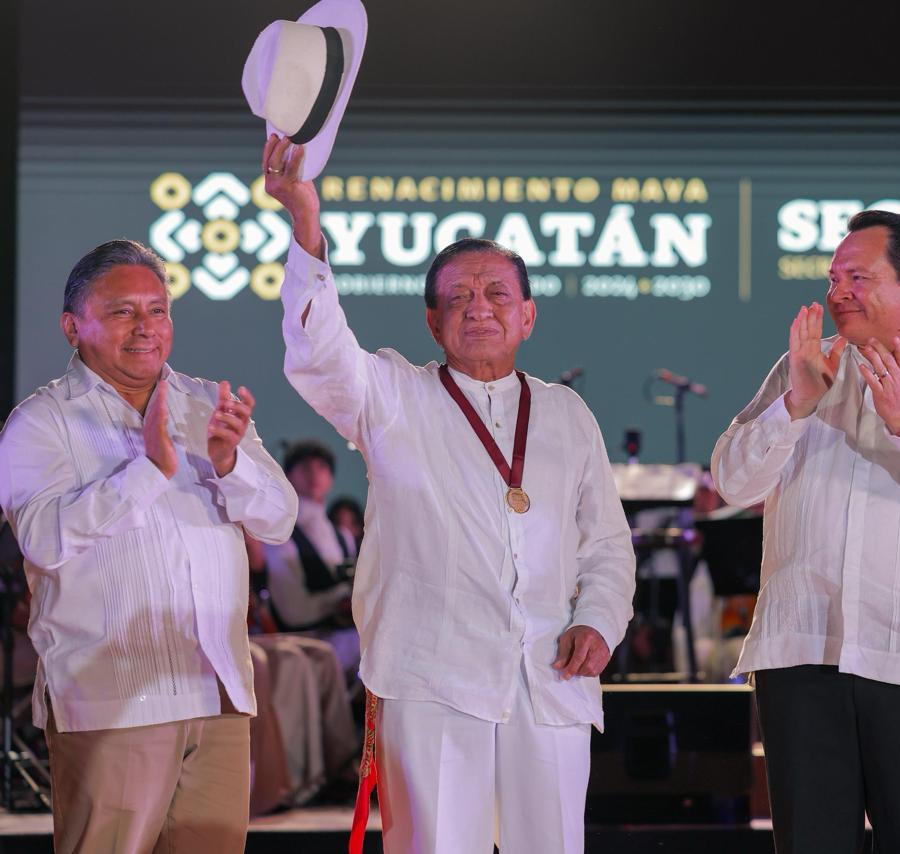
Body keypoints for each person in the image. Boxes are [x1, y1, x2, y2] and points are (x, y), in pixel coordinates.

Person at [263, 135, 636, 854]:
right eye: (458, 298)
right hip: (431, 676)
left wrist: (599, 621)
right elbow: (319, 354)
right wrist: (306, 227)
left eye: (497, 294)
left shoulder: (565, 413)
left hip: (551, 673)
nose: (479, 309)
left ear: (528, 316)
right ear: (432, 323)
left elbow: (607, 543)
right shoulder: (393, 395)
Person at [712, 209, 900, 853]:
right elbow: (734, 482)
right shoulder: (805, 367)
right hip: (803, 650)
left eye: (858, 277)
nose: (838, 292)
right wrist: (796, 404)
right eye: (833, 278)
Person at [0, 239, 298, 852]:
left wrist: (230, 463)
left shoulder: (205, 404)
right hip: (112, 698)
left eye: (157, 310)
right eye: (122, 311)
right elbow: (42, 540)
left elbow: (279, 520)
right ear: (72, 327)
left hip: (215, 690)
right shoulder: (40, 421)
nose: (146, 327)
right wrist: (149, 471)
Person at [263, 438, 360, 674]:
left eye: (322, 467)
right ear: (288, 475)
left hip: (344, 638)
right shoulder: (279, 533)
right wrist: (340, 600)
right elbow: (293, 612)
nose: (314, 474)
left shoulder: (343, 536)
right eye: (305, 467)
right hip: (304, 646)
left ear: (331, 479)